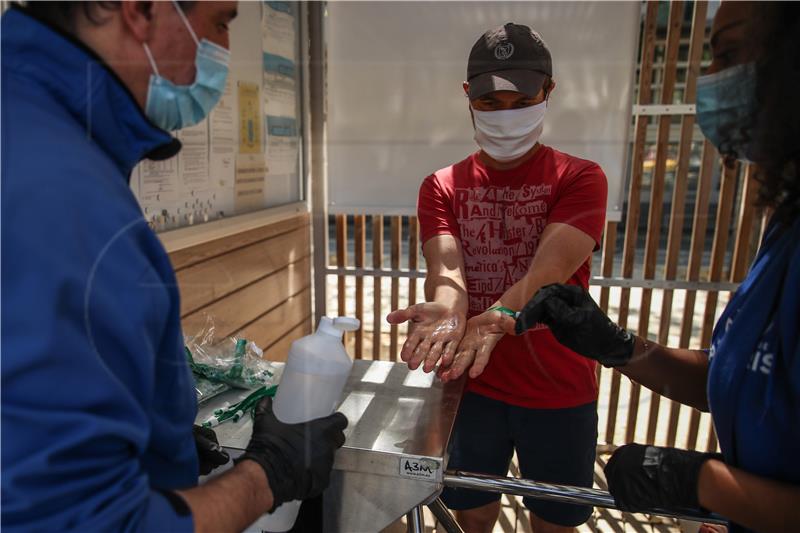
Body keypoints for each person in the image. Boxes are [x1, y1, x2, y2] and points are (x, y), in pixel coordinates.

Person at [1, 2, 346, 532]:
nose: (224, 53)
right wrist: (269, 474)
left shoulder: (26, 128)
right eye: (220, 24)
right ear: (140, 9)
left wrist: (156, 437)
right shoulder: (74, 209)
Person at [505, 2, 800, 533]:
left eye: (729, 54)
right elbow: (744, 379)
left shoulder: (581, 176)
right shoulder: (786, 227)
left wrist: (701, 483)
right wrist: (621, 346)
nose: (708, 81)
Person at [388, 23, 608, 533]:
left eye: (521, 100)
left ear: (547, 92)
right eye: (490, 103)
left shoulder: (580, 177)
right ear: (468, 97)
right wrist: (449, 306)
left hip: (558, 385)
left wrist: (496, 318)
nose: (506, 116)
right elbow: (446, 270)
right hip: (473, 387)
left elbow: (549, 271)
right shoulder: (441, 185)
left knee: (554, 520)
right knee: (473, 512)